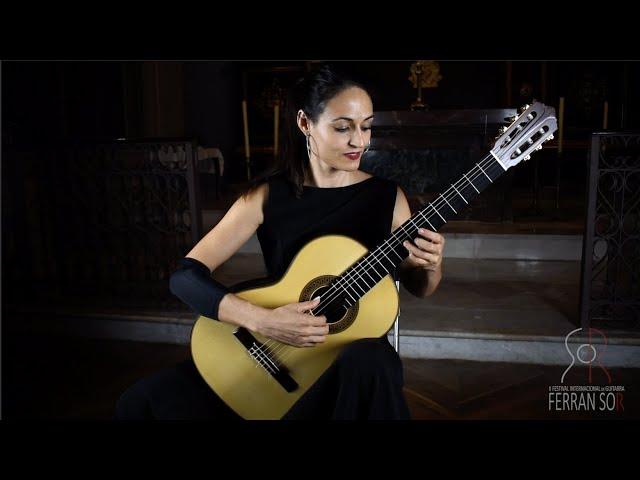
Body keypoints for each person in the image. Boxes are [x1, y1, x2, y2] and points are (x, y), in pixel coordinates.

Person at [115, 64, 445, 420]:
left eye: (366, 126)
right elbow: (185, 277)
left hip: (350, 364)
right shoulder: (266, 195)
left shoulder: (387, 197)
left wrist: (430, 265)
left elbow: (420, 287)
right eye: (343, 128)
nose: (360, 142)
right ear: (305, 123)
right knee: (140, 404)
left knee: (370, 361)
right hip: (273, 351)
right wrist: (262, 321)